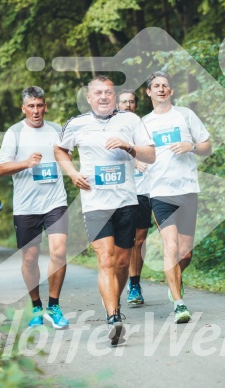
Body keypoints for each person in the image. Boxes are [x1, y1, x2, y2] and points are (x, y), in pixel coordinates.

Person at [55, 75, 155, 346]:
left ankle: (115, 303)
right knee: (106, 259)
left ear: (114, 96)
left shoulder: (131, 121)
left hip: (125, 202)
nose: (103, 97)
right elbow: (60, 151)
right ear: (89, 98)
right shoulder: (76, 124)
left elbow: (150, 155)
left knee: (123, 263)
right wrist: (72, 172)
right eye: (97, 93)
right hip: (95, 204)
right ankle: (113, 316)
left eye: (108, 93)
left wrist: (128, 146)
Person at [0, 86, 70, 330]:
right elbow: (0, 168)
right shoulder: (14, 133)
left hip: (55, 201)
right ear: (23, 108)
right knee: (30, 258)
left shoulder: (58, 130)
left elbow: (69, 157)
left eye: (40, 105)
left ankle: (54, 306)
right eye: (31, 106)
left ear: (45, 106)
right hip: (26, 206)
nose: (36, 111)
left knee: (59, 252)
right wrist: (26, 163)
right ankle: (36, 306)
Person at [142, 71, 212, 323]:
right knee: (170, 246)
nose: (161, 89)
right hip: (160, 192)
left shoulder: (185, 115)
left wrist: (190, 146)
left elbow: (207, 146)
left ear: (171, 91)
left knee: (185, 253)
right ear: (148, 92)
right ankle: (179, 303)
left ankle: (175, 281)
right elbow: (135, 153)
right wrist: (136, 162)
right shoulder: (143, 124)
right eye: (156, 86)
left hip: (187, 190)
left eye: (165, 86)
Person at [117, 89, 149, 306]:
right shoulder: (112, 129)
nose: (127, 105)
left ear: (136, 106)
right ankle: (115, 285)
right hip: (119, 193)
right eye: (124, 102)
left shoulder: (144, 127)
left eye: (131, 102)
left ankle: (135, 285)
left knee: (138, 241)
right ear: (117, 105)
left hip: (142, 190)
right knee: (121, 245)